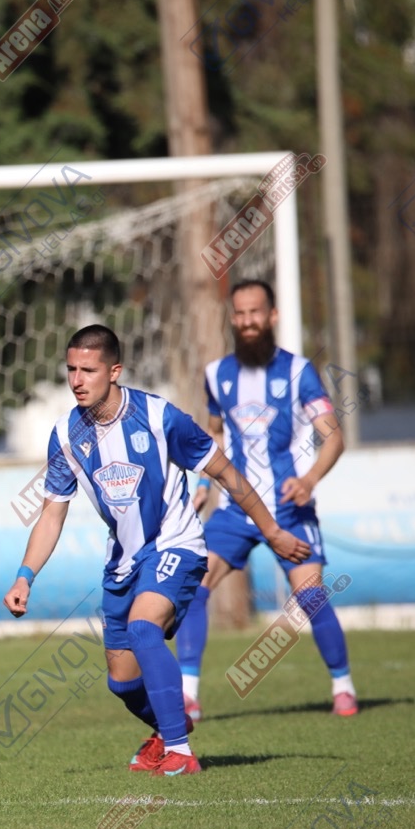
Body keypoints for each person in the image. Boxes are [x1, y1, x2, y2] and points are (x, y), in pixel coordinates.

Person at [3, 325, 309, 776]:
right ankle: (169, 728)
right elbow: (51, 515)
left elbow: (226, 473)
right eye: (71, 369)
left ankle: (181, 753)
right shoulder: (66, 434)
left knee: (144, 629)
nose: (77, 380)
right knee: (122, 683)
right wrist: (24, 576)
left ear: (115, 371)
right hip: (122, 563)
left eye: (88, 370)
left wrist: (272, 530)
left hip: (176, 546)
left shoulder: (159, 416)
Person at [176, 279, 356, 721]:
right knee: (193, 587)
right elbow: (215, 434)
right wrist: (204, 487)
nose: (247, 321)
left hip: (289, 507)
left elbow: (333, 437)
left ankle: (343, 687)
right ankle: (187, 695)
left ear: (273, 316)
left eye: (255, 312)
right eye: (239, 314)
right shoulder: (217, 374)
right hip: (235, 510)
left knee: (310, 596)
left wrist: (309, 479)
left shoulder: (299, 372)